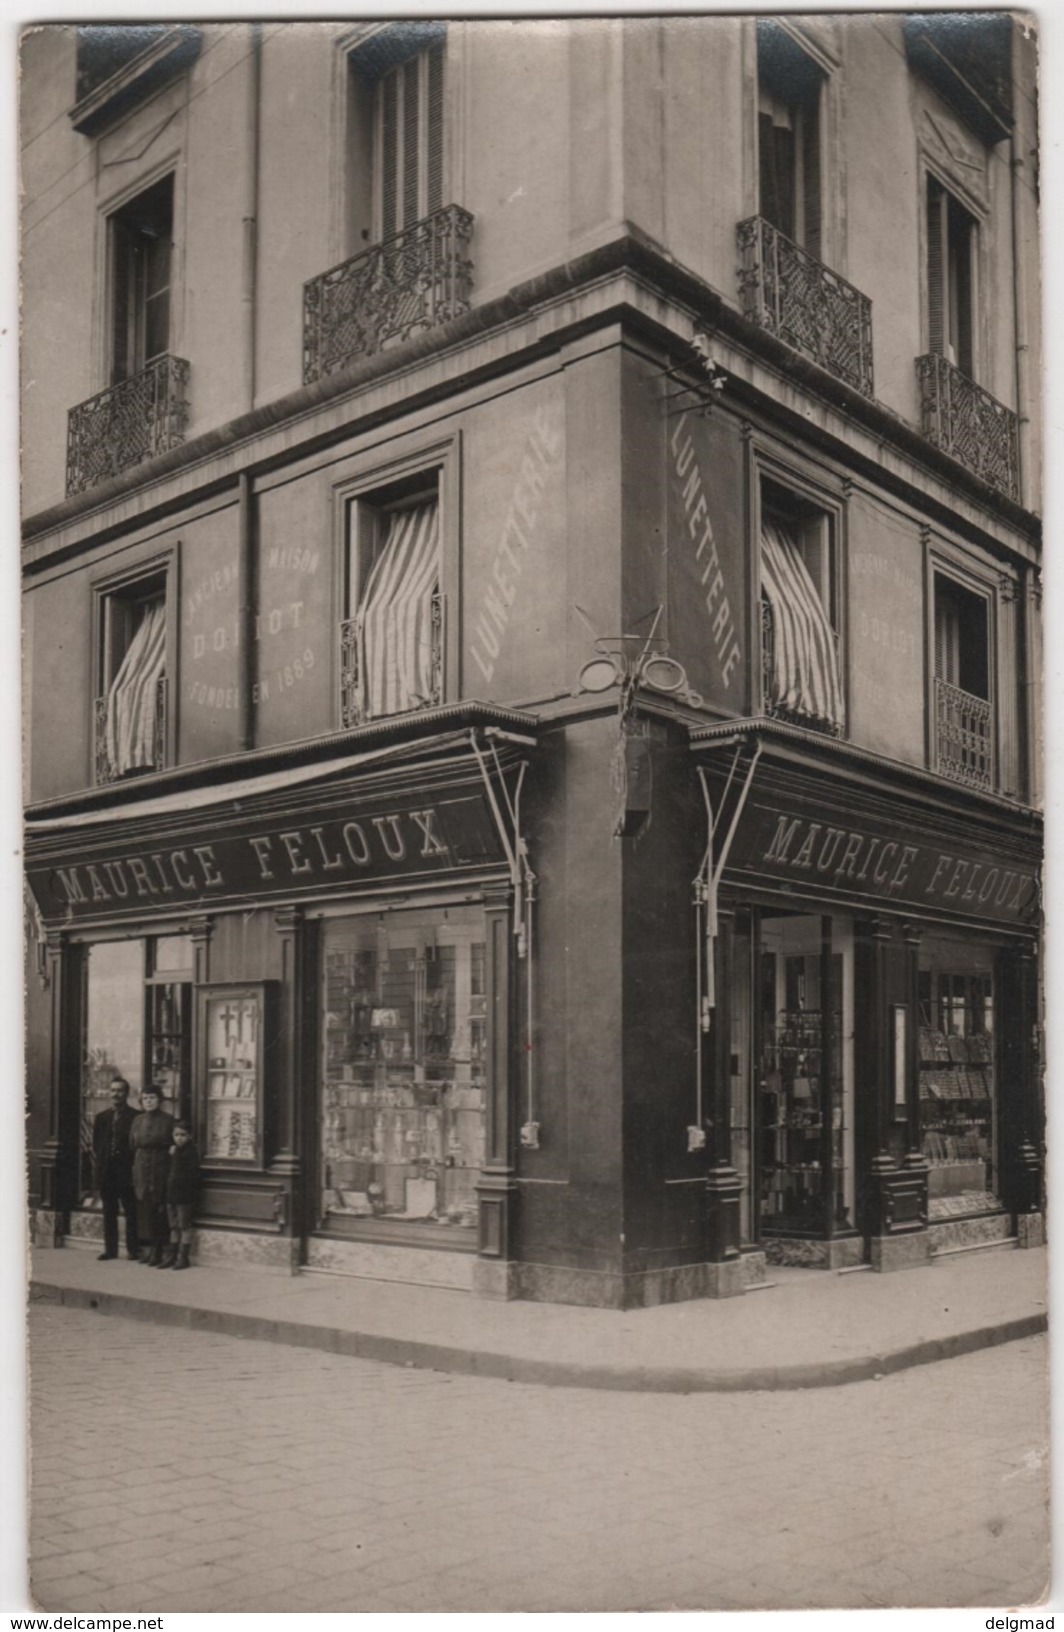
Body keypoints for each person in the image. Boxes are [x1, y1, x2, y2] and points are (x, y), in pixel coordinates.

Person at [91, 1077, 139, 1261]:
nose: (115, 1094)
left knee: (130, 1211)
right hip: (107, 1172)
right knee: (108, 1212)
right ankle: (110, 1250)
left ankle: (133, 1250)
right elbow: (97, 1145)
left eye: (119, 1090)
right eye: (112, 1090)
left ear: (126, 1094)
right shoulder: (101, 1117)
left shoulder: (135, 1116)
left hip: (126, 1171)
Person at [130, 1086, 174, 1266]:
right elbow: (132, 1144)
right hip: (142, 1165)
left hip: (160, 1165)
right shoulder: (137, 1120)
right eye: (145, 1098)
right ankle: (151, 1250)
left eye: (152, 1098)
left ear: (160, 1100)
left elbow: (171, 1145)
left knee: (160, 1210)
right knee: (147, 1209)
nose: (149, 1101)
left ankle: (160, 1250)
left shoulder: (168, 1120)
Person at [163, 1119, 200, 1270]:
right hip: (171, 1193)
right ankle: (172, 1255)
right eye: (176, 1134)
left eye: (183, 1135)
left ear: (189, 1136)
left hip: (185, 1195)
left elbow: (192, 1175)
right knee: (173, 1226)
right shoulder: (173, 1151)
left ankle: (183, 1257)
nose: (179, 1138)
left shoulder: (190, 1152)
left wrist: (175, 1154)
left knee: (184, 1225)